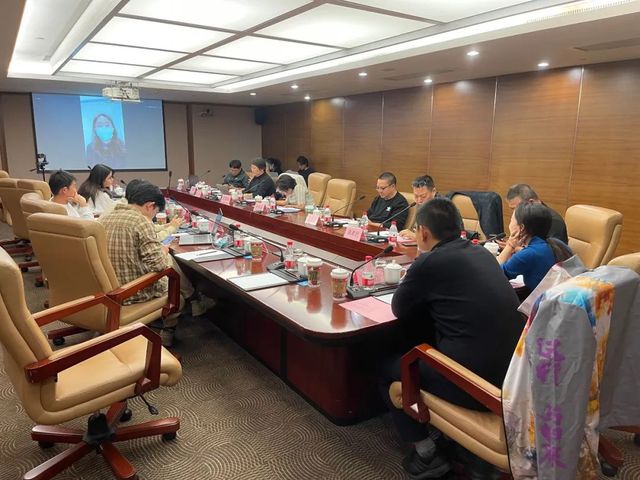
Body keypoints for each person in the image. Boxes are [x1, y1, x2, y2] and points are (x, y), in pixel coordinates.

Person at [382, 198, 524, 478]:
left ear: (423, 232)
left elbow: (399, 307)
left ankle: (426, 454)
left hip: (474, 384)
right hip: (513, 376)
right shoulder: (482, 253)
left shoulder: (430, 262)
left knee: (385, 363)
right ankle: (456, 445)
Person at [98, 180, 215, 346]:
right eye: (156, 212)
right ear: (149, 205)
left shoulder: (106, 218)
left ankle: (194, 301)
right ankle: (169, 328)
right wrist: (163, 251)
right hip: (133, 292)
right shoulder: (140, 221)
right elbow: (159, 265)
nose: (153, 217)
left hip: (109, 289)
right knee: (173, 283)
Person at [498, 202, 573, 291]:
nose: (510, 224)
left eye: (511, 220)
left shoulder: (528, 254)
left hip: (545, 299)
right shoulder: (555, 244)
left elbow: (494, 274)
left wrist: (510, 245)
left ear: (521, 228)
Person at [399, 175, 438, 240]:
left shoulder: (442, 210)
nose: (419, 200)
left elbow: (439, 239)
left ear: (433, 192)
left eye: (423, 196)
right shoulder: (420, 206)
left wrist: (415, 236)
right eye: (416, 196)